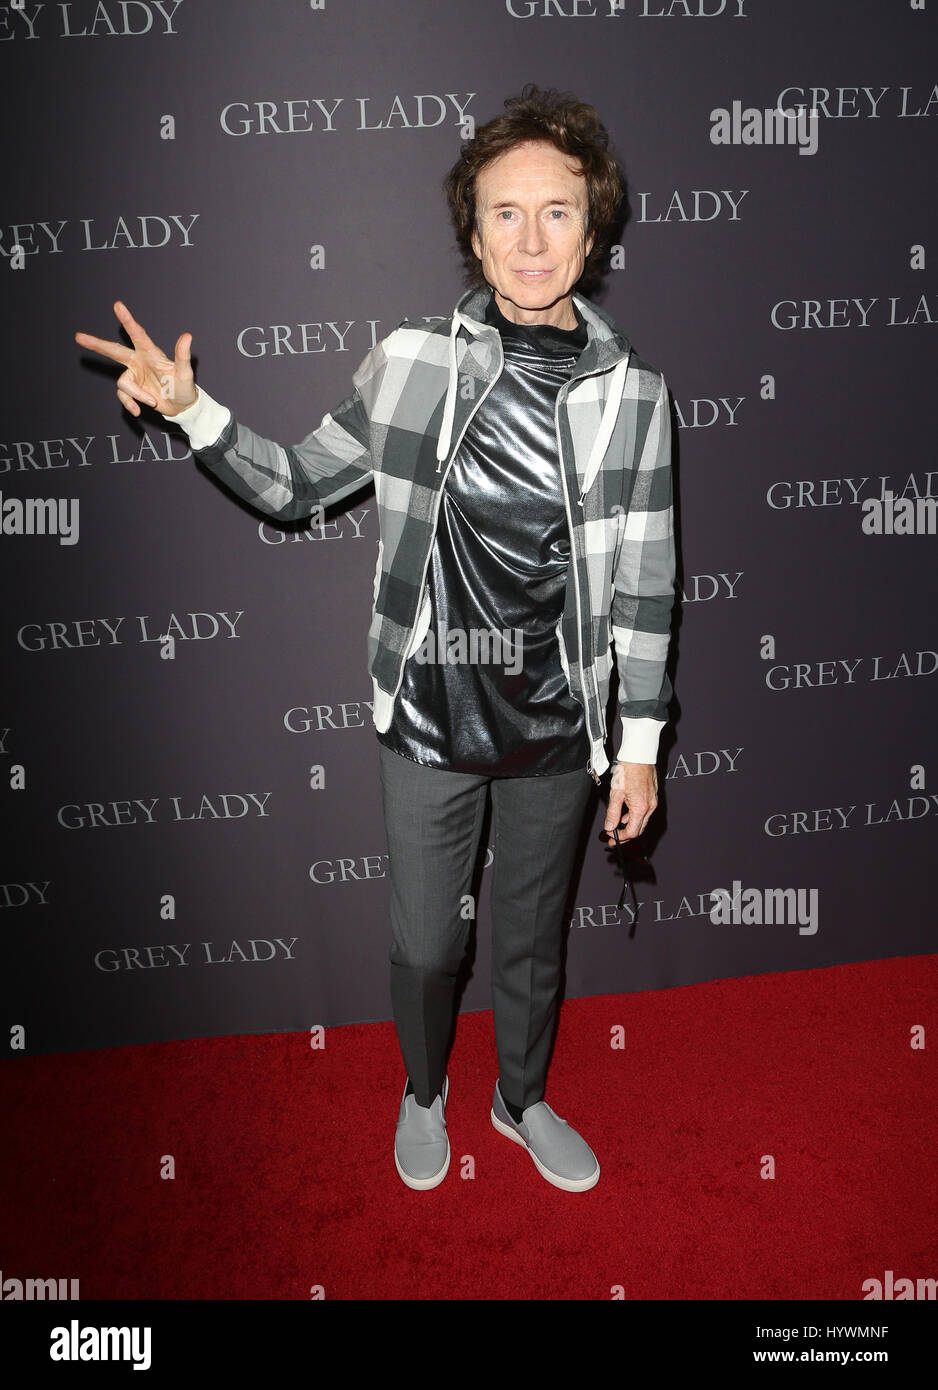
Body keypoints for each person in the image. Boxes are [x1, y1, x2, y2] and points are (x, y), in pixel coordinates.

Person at [75, 85, 676, 1195]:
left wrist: (634, 739)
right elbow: (298, 485)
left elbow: (645, 577)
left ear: (592, 234)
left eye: (556, 212)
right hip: (428, 709)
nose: (531, 238)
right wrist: (194, 411)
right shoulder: (409, 361)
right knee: (428, 946)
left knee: (532, 941)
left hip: (557, 723)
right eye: (504, 213)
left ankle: (520, 1097)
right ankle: (421, 1089)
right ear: (472, 231)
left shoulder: (633, 394)